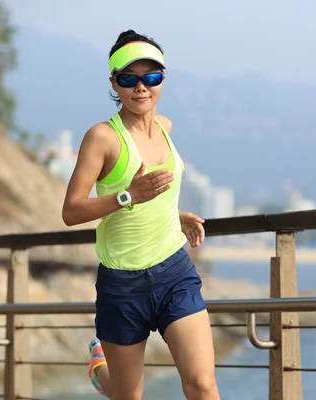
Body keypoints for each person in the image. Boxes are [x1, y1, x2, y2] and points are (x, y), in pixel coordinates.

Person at [61, 29, 220, 400]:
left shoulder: (165, 127)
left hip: (174, 273)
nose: (141, 88)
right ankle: (101, 371)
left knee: (202, 384)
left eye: (151, 77)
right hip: (122, 285)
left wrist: (173, 214)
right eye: (129, 79)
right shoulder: (102, 137)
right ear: (114, 82)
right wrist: (128, 196)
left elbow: (155, 192)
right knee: (128, 395)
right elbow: (71, 210)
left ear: (162, 79)